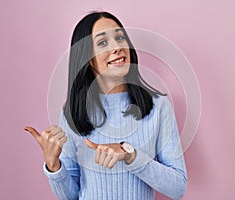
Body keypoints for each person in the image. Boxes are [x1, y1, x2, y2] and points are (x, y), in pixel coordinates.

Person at [25, 11, 187, 200]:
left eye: (120, 37)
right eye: (103, 43)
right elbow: (71, 196)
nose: (117, 47)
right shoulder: (72, 113)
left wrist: (130, 155)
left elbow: (178, 188)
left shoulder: (159, 107)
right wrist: (53, 166)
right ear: (88, 59)